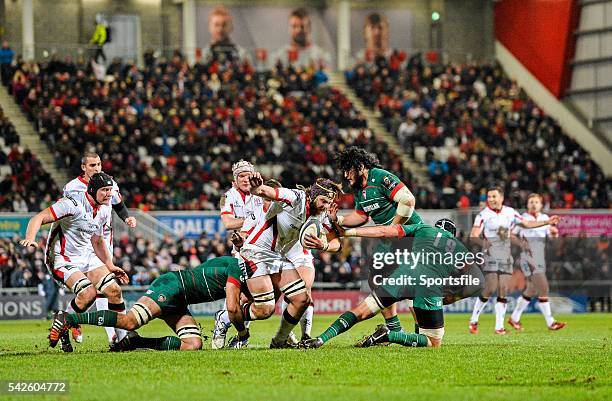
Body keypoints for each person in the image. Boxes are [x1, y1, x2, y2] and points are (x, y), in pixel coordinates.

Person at [301, 219, 484, 349]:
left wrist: (348, 232)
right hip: (429, 284)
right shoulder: (459, 247)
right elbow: (478, 282)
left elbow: (383, 231)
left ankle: (320, 339)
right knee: (433, 341)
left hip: (403, 275)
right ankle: (389, 335)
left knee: (361, 311)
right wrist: (452, 297)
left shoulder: (422, 228)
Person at [19, 173, 129, 352]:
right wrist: (30, 238)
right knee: (88, 294)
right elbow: (38, 218)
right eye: (104, 190)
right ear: (92, 190)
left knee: (114, 291)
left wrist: (110, 265)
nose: (109, 194)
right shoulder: (72, 204)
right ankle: (66, 323)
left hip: (86, 254)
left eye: (110, 190)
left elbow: (98, 241)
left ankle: (123, 342)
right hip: (61, 257)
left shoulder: (105, 208)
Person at [49, 256, 249, 352]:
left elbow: (203, 269)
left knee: (193, 345)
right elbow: (232, 308)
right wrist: (242, 333)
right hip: (171, 286)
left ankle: (136, 342)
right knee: (129, 322)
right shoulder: (237, 269)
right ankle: (69, 318)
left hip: (180, 300)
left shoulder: (231, 263)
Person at [238, 172, 342, 348]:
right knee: (264, 309)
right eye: (323, 201)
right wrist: (257, 188)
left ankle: (279, 341)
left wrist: (323, 245)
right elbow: (268, 192)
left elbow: (336, 244)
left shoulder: (321, 214)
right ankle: (226, 317)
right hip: (256, 252)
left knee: (302, 299)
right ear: (314, 195)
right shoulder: (296, 197)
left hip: (277, 257)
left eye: (329, 203)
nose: (325, 206)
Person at [332, 146, 421, 341]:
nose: (346, 175)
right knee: (377, 279)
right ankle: (394, 327)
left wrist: (393, 228)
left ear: (360, 166)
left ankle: (421, 333)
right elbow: (360, 216)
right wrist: (337, 220)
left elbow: (408, 200)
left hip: (409, 233)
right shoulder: (359, 190)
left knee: (409, 284)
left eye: (349, 170)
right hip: (388, 239)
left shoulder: (381, 177)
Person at [230, 179, 318, 345]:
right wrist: (238, 243)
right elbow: (244, 233)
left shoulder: (297, 209)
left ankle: (291, 337)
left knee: (302, 296)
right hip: (259, 254)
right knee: (263, 307)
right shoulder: (258, 212)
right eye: (268, 199)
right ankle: (232, 320)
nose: (271, 201)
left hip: (282, 255)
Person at [62, 152, 137, 346]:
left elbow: (118, 205)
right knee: (89, 289)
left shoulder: (109, 183)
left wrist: (126, 217)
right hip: (80, 245)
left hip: (101, 241)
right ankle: (71, 321)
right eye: (93, 165)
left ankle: (114, 335)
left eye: (99, 164)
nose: (97, 168)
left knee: (107, 288)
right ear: (83, 168)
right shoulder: (72, 188)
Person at [468, 187, 559, 334]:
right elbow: (473, 235)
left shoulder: (510, 213)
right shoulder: (483, 215)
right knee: (490, 289)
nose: (491, 199)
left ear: (501, 197)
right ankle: (473, 320)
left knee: (503, 289)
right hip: (489, 255)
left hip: (505, 255)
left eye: (493, 196)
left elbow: (526, 224)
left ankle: (499, 327)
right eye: (489, 197)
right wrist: (483, 243)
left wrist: (548, 222)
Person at [211, 160, 263, 349]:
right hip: (241, 253)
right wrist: (252, 222)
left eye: (247, 174)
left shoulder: (260, 193)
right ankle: (225, 323)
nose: (245, 178)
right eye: (240, 176)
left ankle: (235, 331)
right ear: (234, 180)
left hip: (262, 251)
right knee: (241, 295)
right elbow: (227, 223)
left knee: (255, 296)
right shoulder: (228, 196)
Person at [508, 193, 566, 331]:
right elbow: (509, 234)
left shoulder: (545, 218)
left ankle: (514, 318)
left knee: (532, 288)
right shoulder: (523, 219)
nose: (534, 204)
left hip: (540, 257)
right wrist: (521, 243)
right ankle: (551, 322)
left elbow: (552, 237)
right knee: (544, 287)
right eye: (531, 202)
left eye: (536, 202)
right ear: (527, 204)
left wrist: (553, 233)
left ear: (541, 205)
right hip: (527, 257)